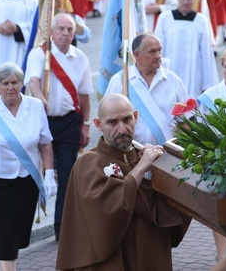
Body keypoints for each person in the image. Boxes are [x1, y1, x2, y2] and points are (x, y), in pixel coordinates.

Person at [55, 94, 190, 270]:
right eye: (112, 122)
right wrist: (141, 169)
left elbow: (166, 208)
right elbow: (106, 210)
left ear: (135, 117)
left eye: (126, 119)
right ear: (98, 124)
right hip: (114, 259)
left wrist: (162, 171)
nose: (121, 129)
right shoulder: (89, 163)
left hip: (150, 253)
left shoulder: (145, 156)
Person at [0, 62, 56, 271]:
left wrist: (49, 174)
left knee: (17, 232)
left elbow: (45, 143)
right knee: (4, 235)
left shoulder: (35, 106)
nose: (10, 87)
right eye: (5, 83)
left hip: (27, 180)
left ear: (22, 83)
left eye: (14, 82)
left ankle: (5, 266)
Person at [24, 13, 93, 241]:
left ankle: (61, 227)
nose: (65, 34)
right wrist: (38, 97)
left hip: (69, 122)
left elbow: (84, 95)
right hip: (43, 120)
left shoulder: (80, 58)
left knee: (67, 174)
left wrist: (85, 125)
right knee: (34, 172)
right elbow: (33, 81)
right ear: (52, 32)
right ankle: (23, 224)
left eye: (69, 30)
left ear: (74, 34)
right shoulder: (40, 54)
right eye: (61, 29)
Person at [105, 33, 190, 145]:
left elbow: (187, 121)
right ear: (137, 54)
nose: (158, 56)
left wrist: (176, 145)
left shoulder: (173, 81)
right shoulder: (120, 80)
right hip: (132, 154)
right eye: (152, 52)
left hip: (168, 154)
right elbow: (108, 120)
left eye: (159, 51)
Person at [197, 46, 226, 261]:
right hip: (219, 160)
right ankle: (222, 256)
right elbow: (202, 129)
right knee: (221, 208)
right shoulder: (210, 97)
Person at [154, 0, 218, 98]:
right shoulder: (164, 18)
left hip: (194, 75)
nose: (186, 2)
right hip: (170, 71)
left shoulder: (201, 21)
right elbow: (158, 49)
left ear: (194, 0)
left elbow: (207, 54)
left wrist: (208, 84)